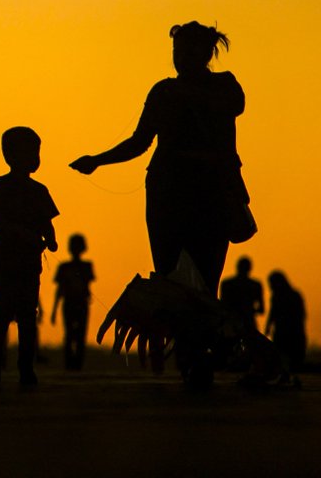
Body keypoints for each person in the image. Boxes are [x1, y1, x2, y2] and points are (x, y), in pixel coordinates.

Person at [71, 22, 246, 298]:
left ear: (206, 54)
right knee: (167, 276)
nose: (181, 58)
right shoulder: (163, 92)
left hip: (211, 192)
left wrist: (188, 93)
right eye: (177, 51)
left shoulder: (225, 85)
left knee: (207, 279)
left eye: (189, 52)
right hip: (168, 191)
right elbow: (139, 142)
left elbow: (236, 105)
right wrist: (98, 160)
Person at [0, 126, 59, 385]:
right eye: (30, 153)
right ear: (10, 155)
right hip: (6, 259)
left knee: (27, 315)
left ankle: (26, 368)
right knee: (3, 312)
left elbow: (47, 221)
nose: (35, 158)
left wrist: (51, 239)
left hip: (29, 260)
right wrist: (19, 232)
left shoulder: (39, 191)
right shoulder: (1, 186)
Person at [51, 233, 95, 370]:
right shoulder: (73, 267)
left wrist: (54, 310)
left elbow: (60, 290)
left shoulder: (81, 266)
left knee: (77, 335)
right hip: (72, 304)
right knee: (71, 335)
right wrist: (54, 310)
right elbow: (60, 290)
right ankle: (71, 365)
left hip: (79, 304)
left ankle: (75, 365)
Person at [266, 271, 307, 374]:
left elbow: (273, 313)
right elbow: (273, 313)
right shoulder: (292, 295)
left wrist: (269, 326)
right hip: (287, 331)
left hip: (288, 332)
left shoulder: (289, 296)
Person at [220, 256, 264, 334]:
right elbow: (261, 309)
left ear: (237, 267)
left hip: (231, 322)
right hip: (248, 322)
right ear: (249, 268)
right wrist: (248, 310)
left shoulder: (227, 284)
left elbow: (222, 305)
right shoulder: (255, 285)